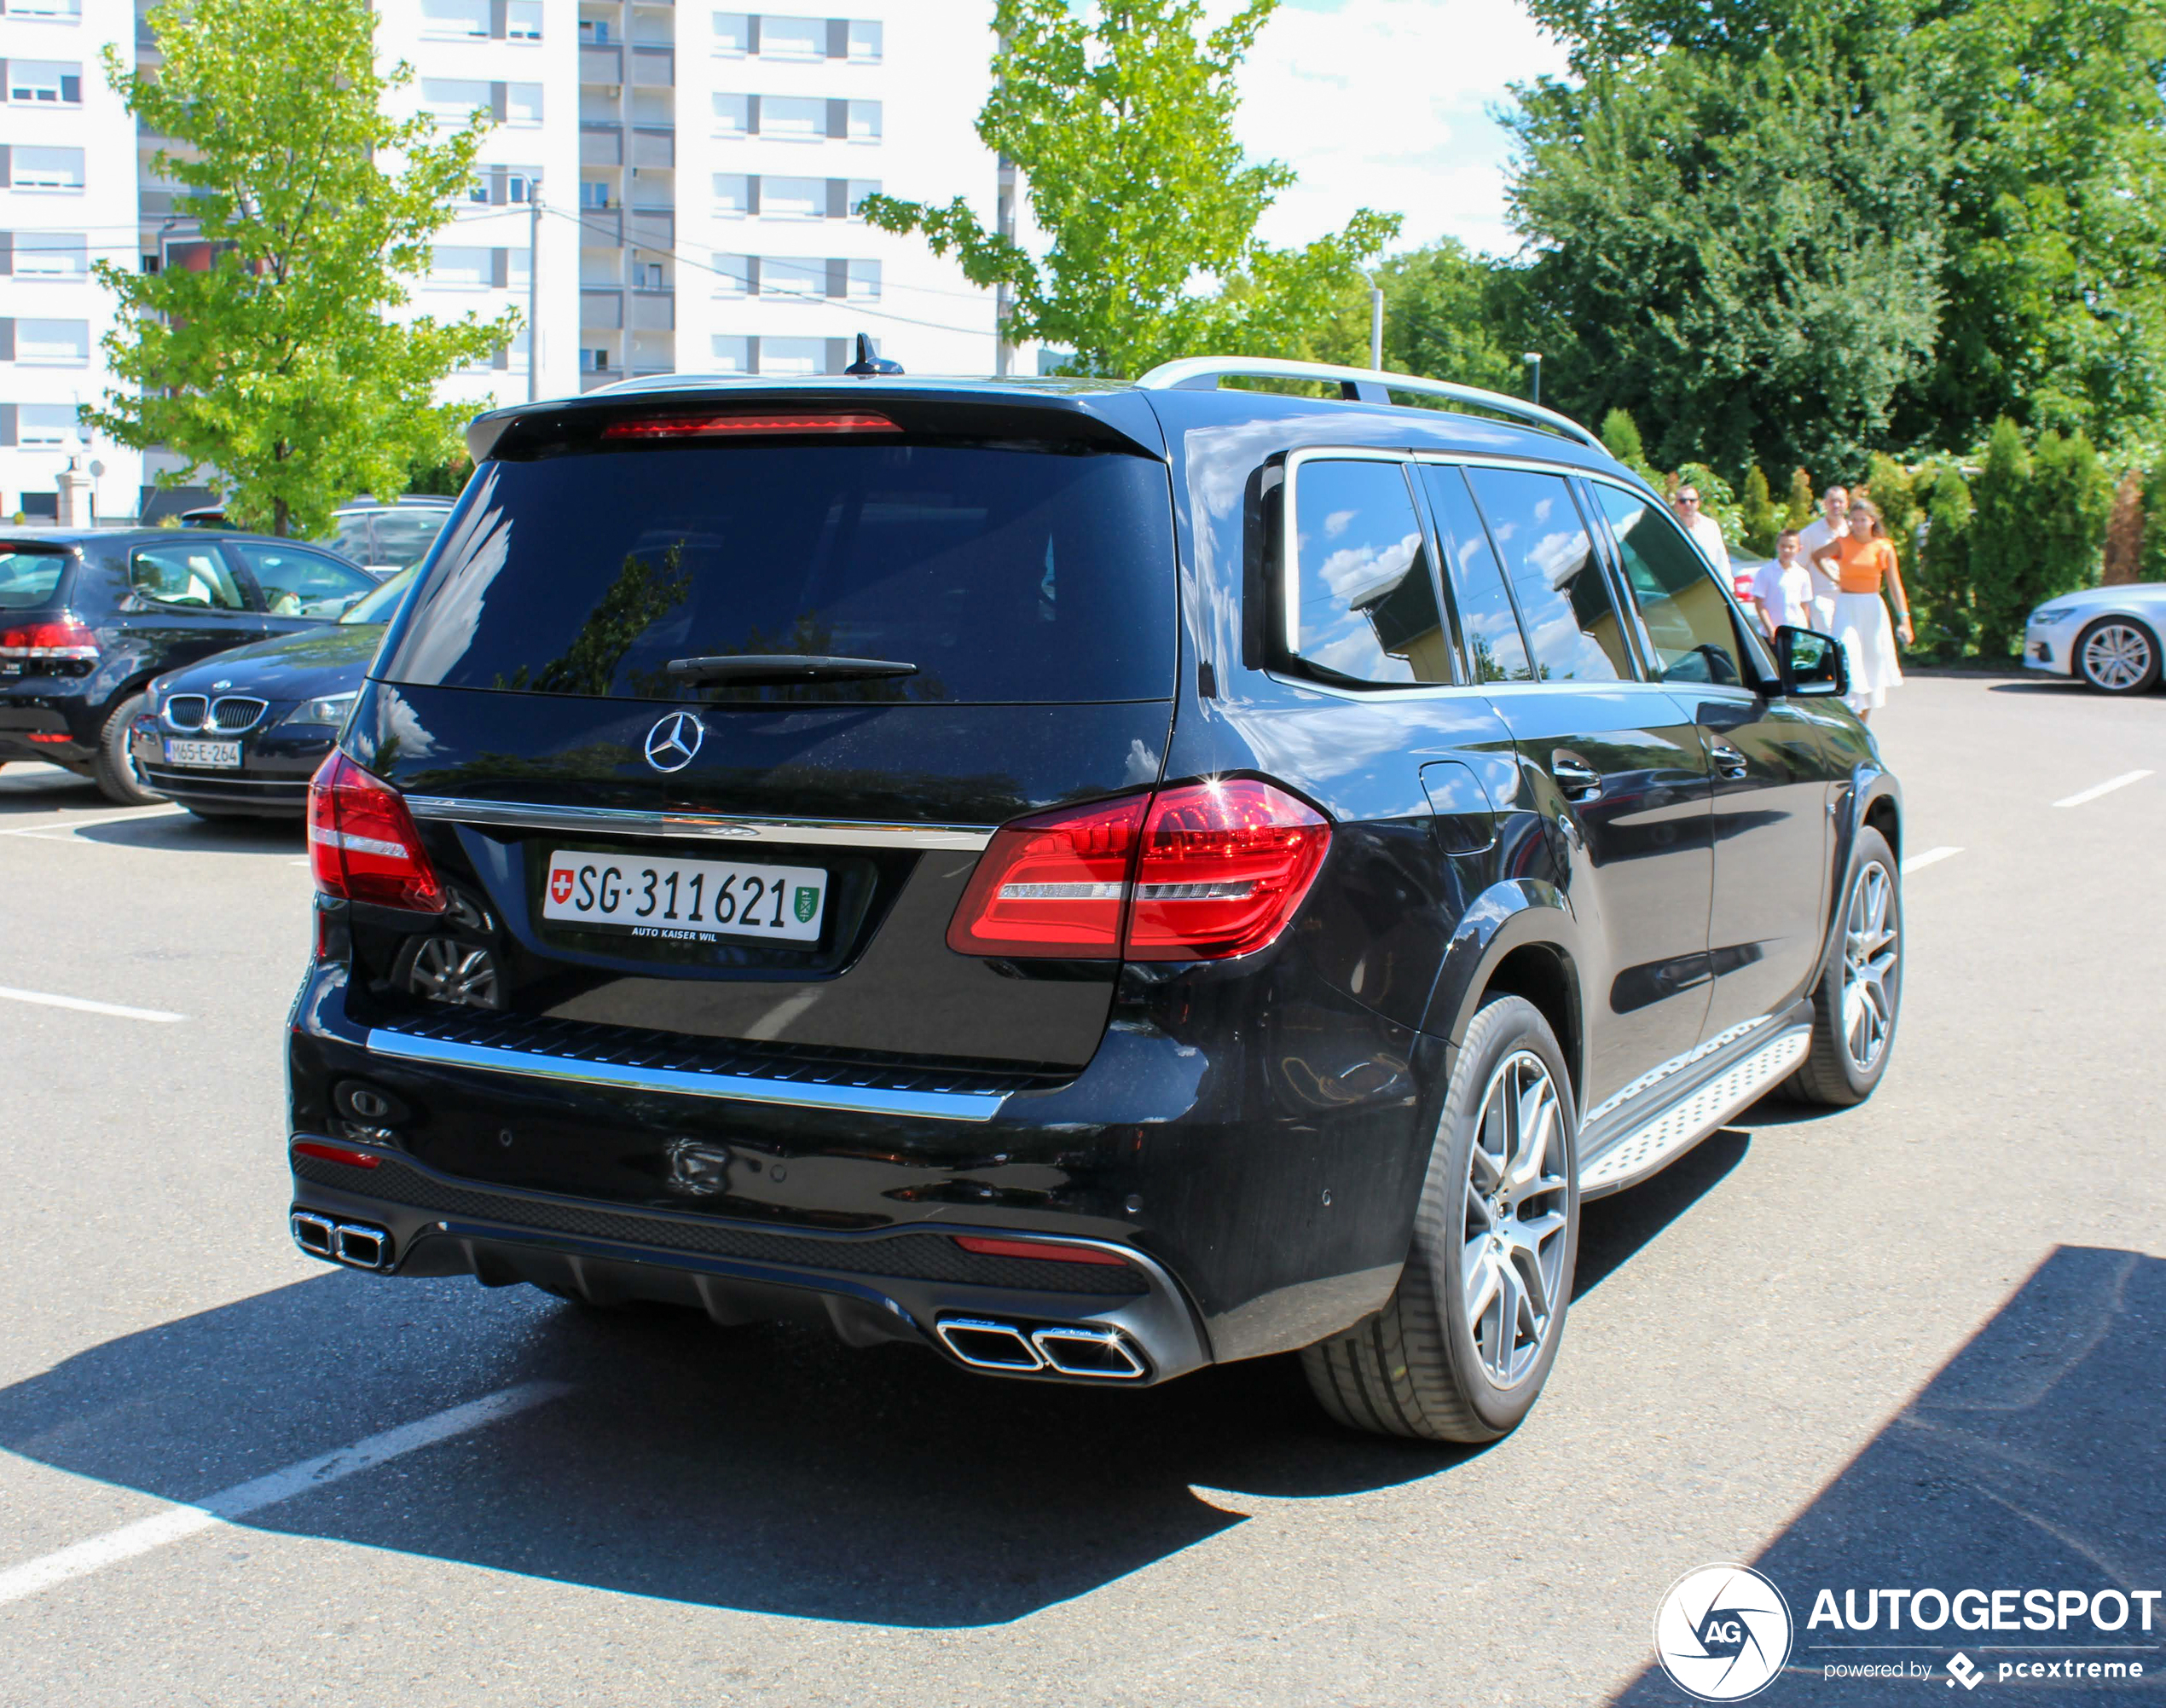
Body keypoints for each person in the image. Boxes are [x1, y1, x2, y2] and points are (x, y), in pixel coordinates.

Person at [1810, 497, 1912, 720]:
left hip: (1872, 607)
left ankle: (1863, 720)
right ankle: (1846, 713)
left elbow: (1895, 585)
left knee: (1871, 662)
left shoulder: (1883, 547)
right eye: (1854, 520)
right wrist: (1833, 576)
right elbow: (1817, 556)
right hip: (1847, 605)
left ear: (1872, 521)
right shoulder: (1843, 543)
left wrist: (1904, 618)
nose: (1858, 524)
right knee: (1848, 655)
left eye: (1863, 520)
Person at [1795, 484, 1847, 631]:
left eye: (1840, 501)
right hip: (1821, 596)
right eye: (1832, 501)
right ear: (1825, 504)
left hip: (1847, 595)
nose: (1836, 505)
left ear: (1847, 503)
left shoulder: (1852, 531)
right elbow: (1799, 568)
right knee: (1827, 638)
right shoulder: (1810, 533)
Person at [1749, 529, 1816, 639]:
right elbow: (1759, 604)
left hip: (1796, 630)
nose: (1786, 550)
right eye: (1783, 546)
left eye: (1791, 547)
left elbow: (1804, 605)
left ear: (1799, 549)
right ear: (1777, 547)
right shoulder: (1765, 572)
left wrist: (1807, 631)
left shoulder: (1802, 574)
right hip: (1774, 632)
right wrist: (1770, 628)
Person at [1671, 483, 1731, 582]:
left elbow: (1722, 558)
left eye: (1692, 500)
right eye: (1683, 501)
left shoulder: (1711, 526)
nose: (1688, 504)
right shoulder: (1671, 526)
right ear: (1676, 505)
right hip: (1681, 585)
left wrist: (1728, 588)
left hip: (1708, 583)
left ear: (1698, 503)